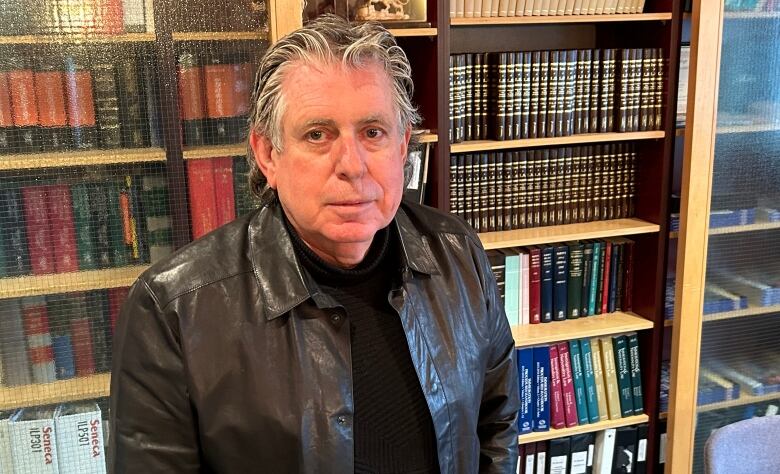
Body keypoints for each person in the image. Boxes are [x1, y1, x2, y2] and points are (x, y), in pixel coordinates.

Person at [109, 14, 519, 473]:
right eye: (318, 135)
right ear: (268, 155)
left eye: (373, 132)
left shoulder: (458, 254)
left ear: (403, 147)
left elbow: (496, 421)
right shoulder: (172, 309)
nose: (352, 165)